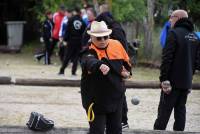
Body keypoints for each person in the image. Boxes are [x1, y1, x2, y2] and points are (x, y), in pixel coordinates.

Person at [80, 21, 132, 134]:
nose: (103, 40)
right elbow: (89, 61)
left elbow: (127, 64)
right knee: (97, 131)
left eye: (105, 37)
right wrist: (100, 65)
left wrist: (127, 72)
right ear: (91, 37)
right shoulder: (88, 50)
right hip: (96, 101)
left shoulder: (117, 45)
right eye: (98, 38)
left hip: (116, 98)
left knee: (115, 131)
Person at [154, 9, 200, 131]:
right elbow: (197, 63)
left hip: (171, 82)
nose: (170, 20)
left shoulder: (174, 34)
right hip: (186, 83)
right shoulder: (195, 37)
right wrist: (189, 78)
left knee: (163, 114)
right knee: (180, 112)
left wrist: (164, 79)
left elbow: (167, 59)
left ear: (178, 18)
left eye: (171, 17)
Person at [58, 7, 86, 76]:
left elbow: (67, 31)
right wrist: (82, 42)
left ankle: (62, 71)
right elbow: (84, 33)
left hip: (71, 41)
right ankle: (73, 72)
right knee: (76, 57)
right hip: (78, 42)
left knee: (67, 56)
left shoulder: (70, 20)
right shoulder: (82, 21)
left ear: (74, 12)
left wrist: (65, 39)